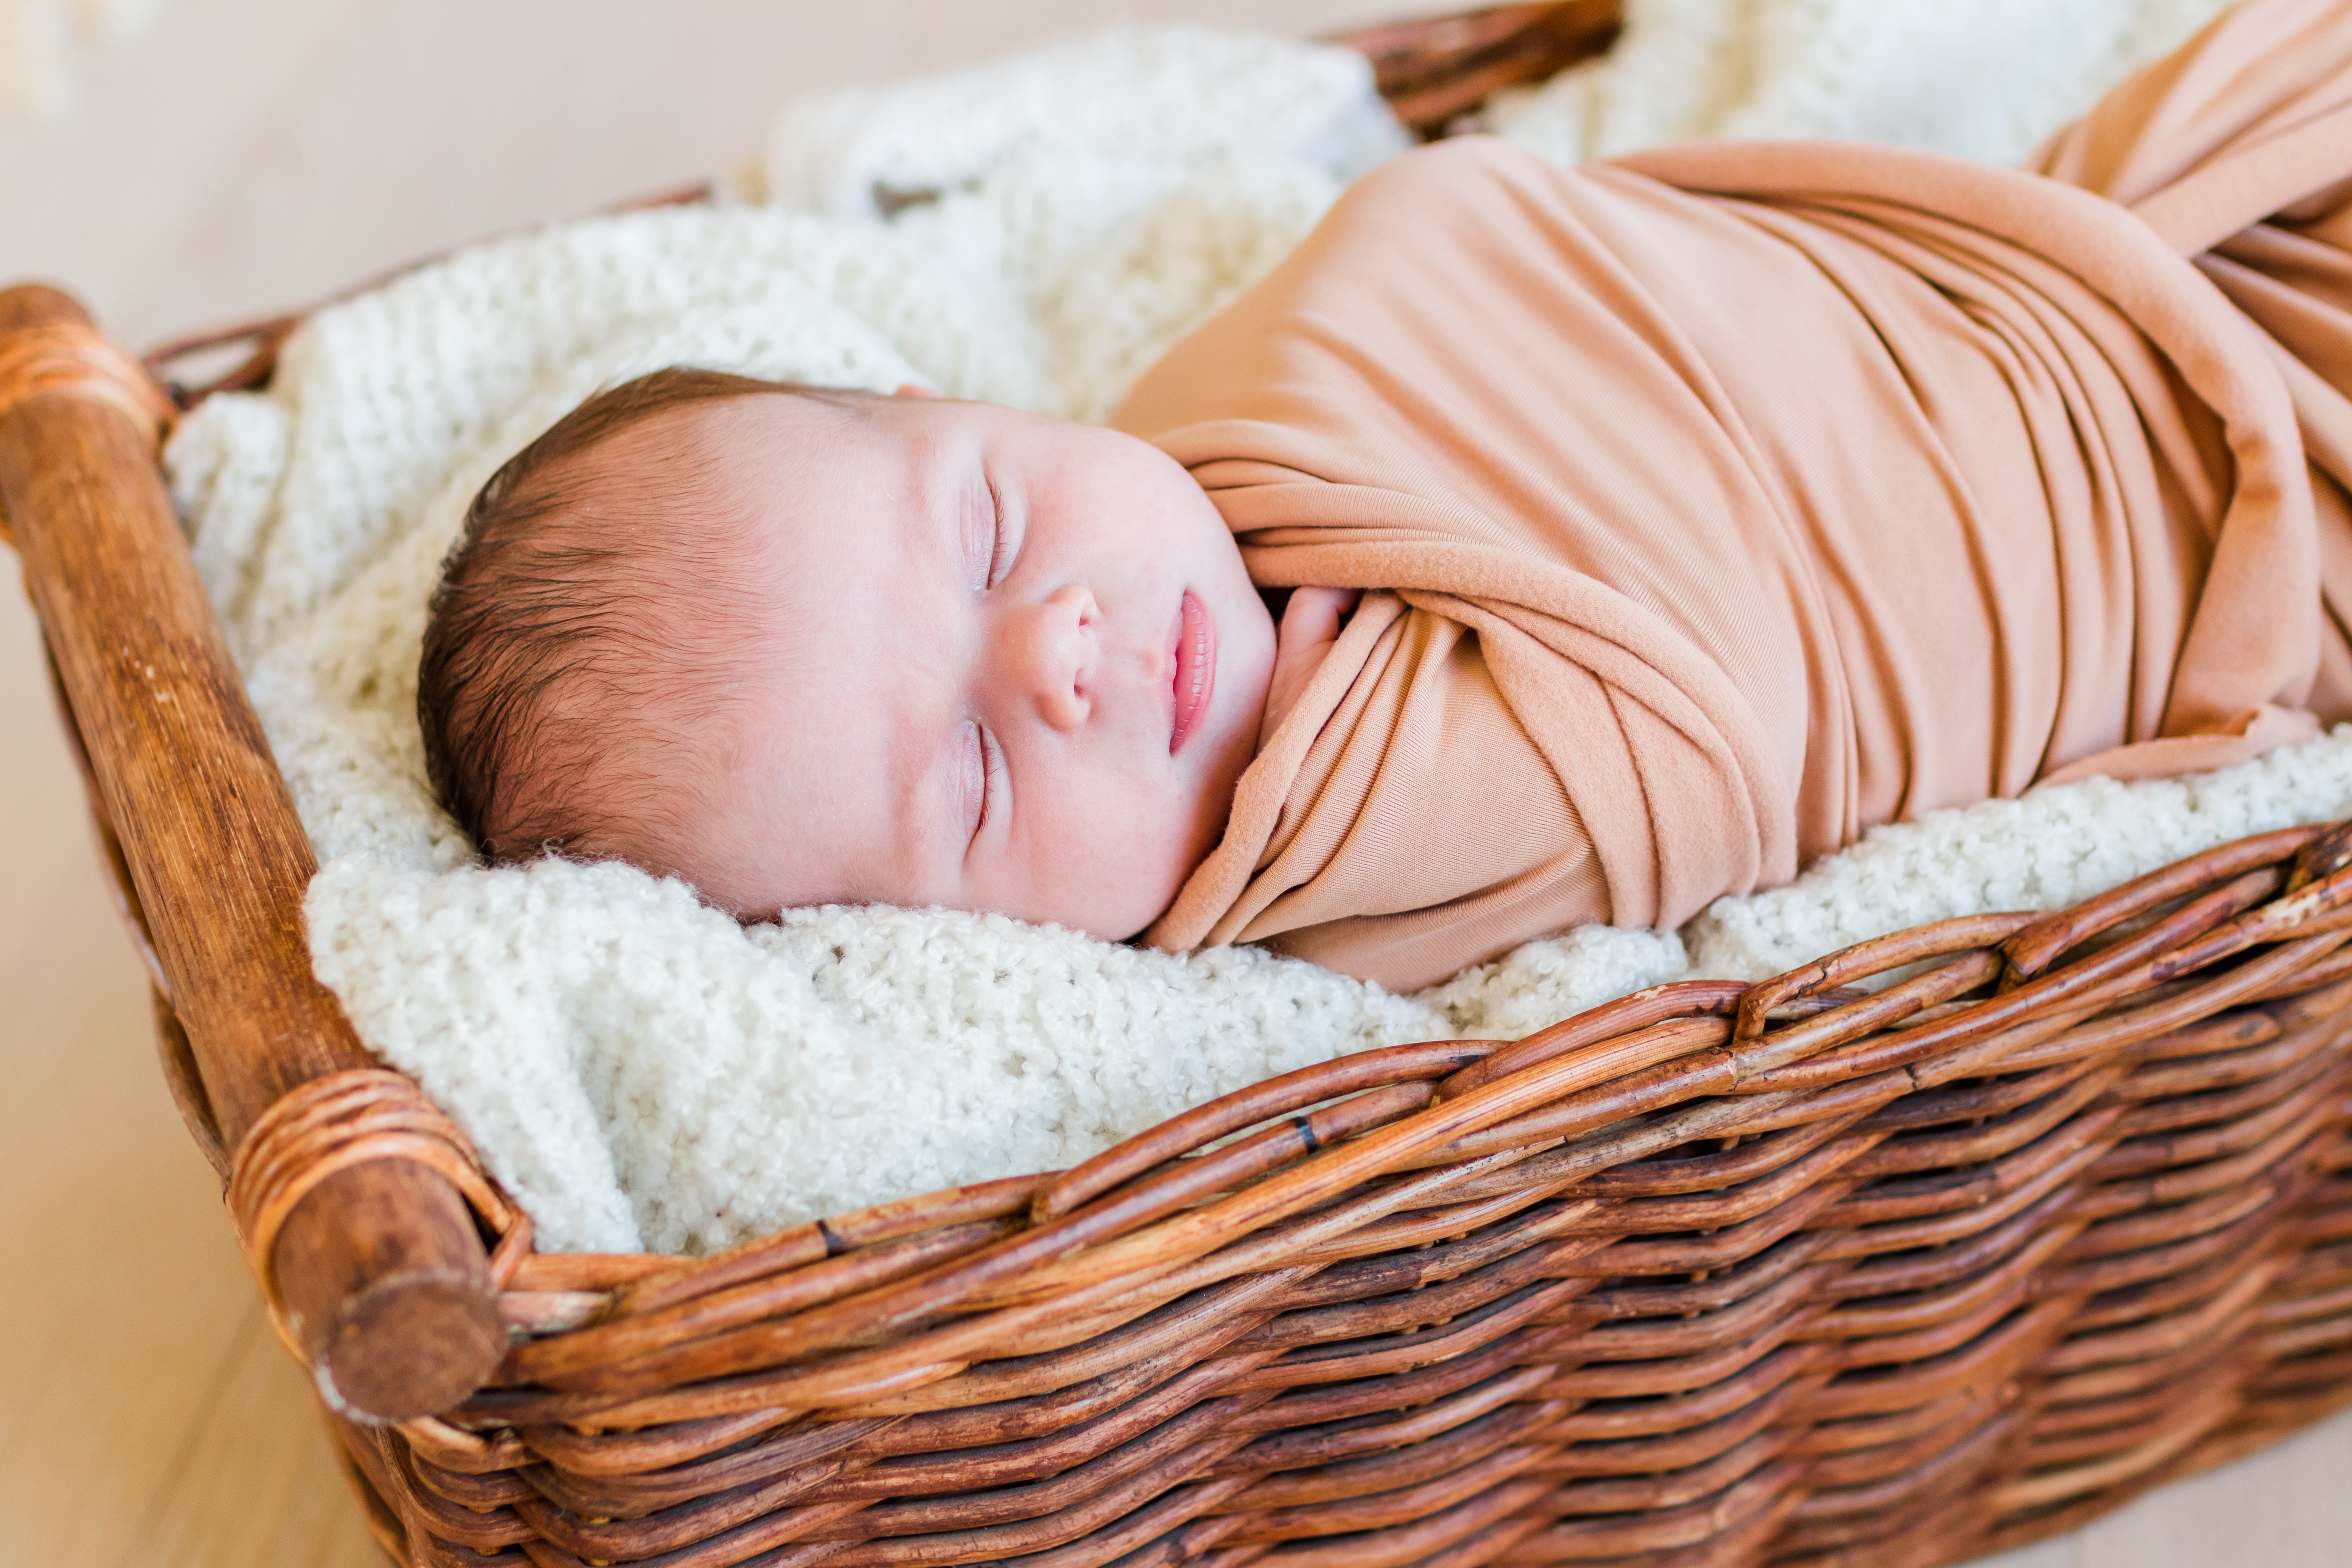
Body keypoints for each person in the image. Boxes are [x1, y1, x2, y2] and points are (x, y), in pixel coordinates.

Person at [419, 0, 2352, 992]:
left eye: (994, 530)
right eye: (982, 780)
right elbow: (1706, 746)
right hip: (2195, 515)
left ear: (960, 404)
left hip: (2077, 274)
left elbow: (1496, 227)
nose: (1063, 647)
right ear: (942, 948)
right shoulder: (1313, 884)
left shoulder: (1243, 388)